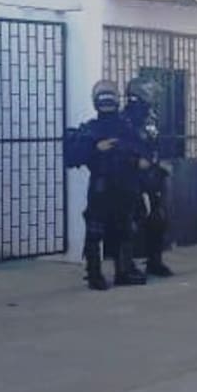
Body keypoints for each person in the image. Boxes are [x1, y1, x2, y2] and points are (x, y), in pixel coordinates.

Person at [63, 80, 147, 290]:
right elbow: (72, 157)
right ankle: (94, 273)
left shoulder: (126, 128)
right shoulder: (91, 129)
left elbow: (141, 152)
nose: (108, 104)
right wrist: (95, 148)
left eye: (110, 99)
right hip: (103, 186)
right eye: (105, 100)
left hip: (123, 186)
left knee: (124, 228)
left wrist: (137, 160)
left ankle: (122, 271)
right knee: (96, 229)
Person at [122, 78, 174, 278]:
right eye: (150, 92)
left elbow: (154, 144)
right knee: (130, 221)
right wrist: (135, 161)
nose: (154, 96)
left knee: (157, 219)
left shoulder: (150, 117)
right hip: (131, 176)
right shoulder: (126, 119)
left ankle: (155, 262)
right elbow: (122, 148)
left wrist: (159, 163)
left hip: (152, 175)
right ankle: (126, 266)